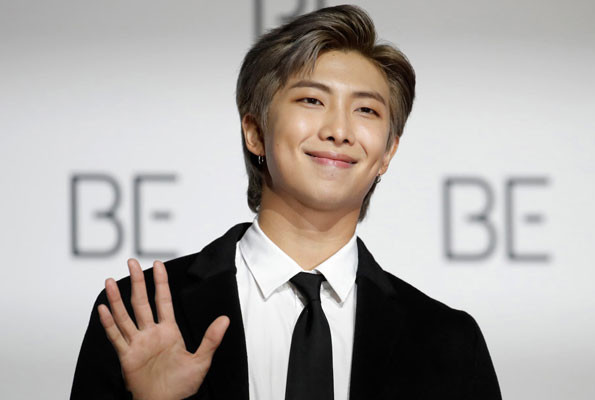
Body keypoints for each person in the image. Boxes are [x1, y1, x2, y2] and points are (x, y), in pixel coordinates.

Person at [71, 5, 501, 400]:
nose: (339, 131)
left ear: (387, 152)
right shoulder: (140, 314)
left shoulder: (447, 340)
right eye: (312, 100)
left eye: (366, 110)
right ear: (255, 132)